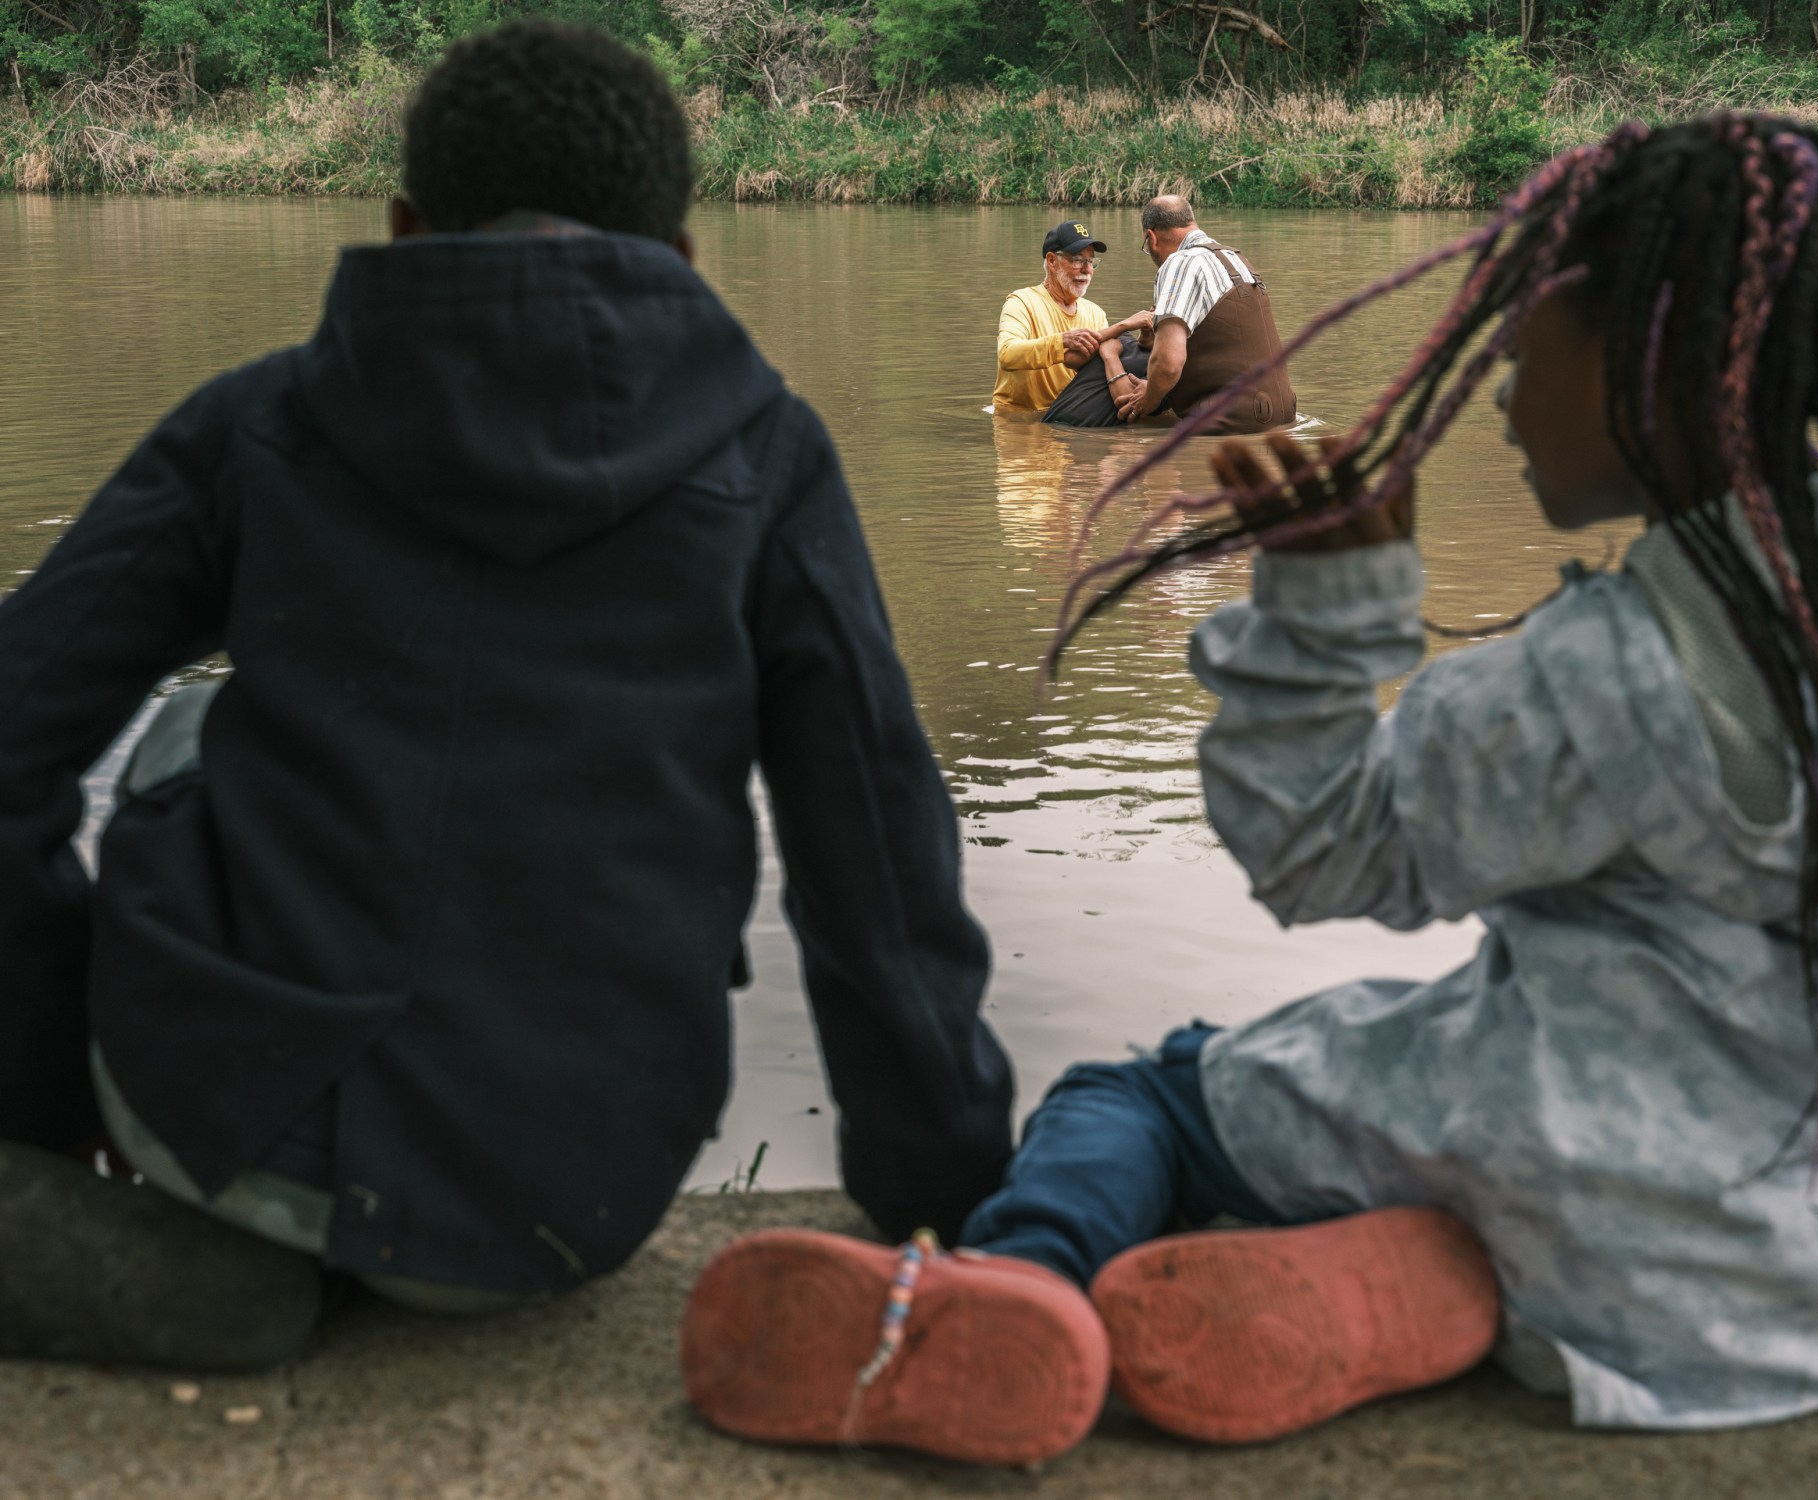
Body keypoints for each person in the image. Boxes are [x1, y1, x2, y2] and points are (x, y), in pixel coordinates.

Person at [681, 114, 1818, 1465]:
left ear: (1647, 365)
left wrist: (1329, 610)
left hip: (1580, 1177)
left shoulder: (1616, 669)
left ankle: (1013, 1292)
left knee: (1137, 1097)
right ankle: (1438, 1284)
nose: (1491, 389)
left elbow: (1314, 849)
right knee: (1464, 1038)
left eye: (1518, 340)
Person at [0, 20, 1013, 1370]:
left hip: (211, 1133)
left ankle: (223, 1254)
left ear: (408, 227)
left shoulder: (261, 426)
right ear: (685, 256)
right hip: (572, 1199)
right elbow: (875, 861)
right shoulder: (767, 461)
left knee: (185, 727)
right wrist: (942, 1200)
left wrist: (45, 1081)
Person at [1115, 195, 1295, 434]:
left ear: (1151, 238)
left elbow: (1168, 363)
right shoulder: (1238, 259)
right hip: (1285, 413)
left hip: (1232, 422)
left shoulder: (1179, 263)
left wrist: (1149, 398)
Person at [992, 221, 1150, 415]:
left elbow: (1100, 365)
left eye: (1091, 261)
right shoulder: (1021, 302)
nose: (1087, 270)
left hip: (1069, 414)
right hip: (1016, 419)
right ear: (1051, 261)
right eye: (1077, 260)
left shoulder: (1095, 313)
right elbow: (1007, 355)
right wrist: (1063, 340)